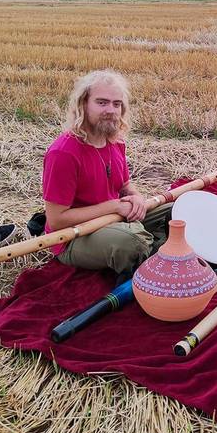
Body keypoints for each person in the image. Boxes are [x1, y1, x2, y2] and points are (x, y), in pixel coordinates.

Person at [42, 69, 172, 278]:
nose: (111, 110)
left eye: (116, 104)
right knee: (132, 243)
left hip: (115, 218)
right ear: (83, 104)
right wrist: (113, 206)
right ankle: (158, 256)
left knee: (177, 211)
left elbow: (124, 185)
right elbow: (56, 220)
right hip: (74, 237)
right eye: (102, 102)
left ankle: (158, 250)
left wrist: (136, 197)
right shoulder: (63, 153)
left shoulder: (115, 142)